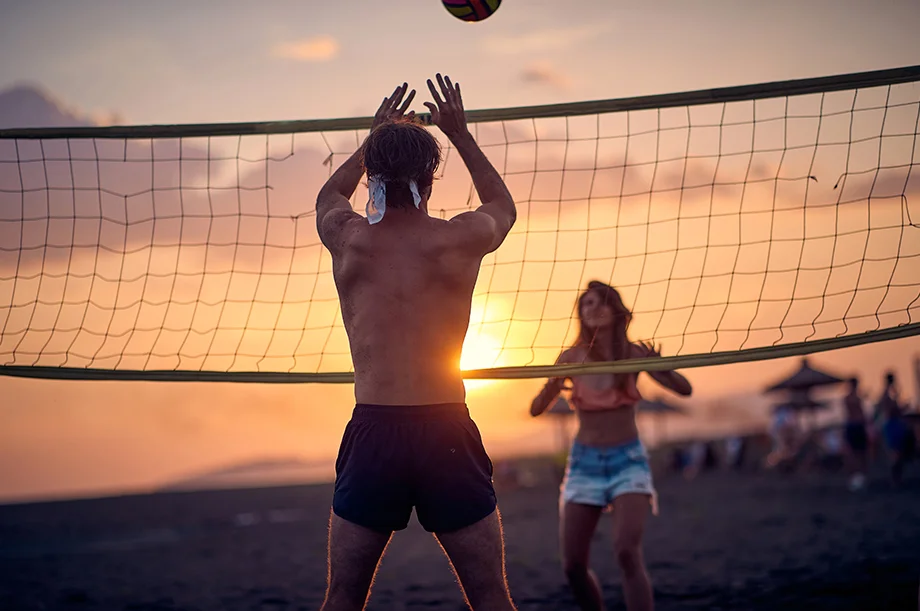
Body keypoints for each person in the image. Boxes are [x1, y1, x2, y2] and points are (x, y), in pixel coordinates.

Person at [315, 76, 517, 611]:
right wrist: (459, 134)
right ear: (429, 180)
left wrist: (373, 138)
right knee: (490, 595)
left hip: (376, 428)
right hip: (445, 430)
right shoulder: (458, 239)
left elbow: (328, 195)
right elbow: (503, 204)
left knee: (344, 597)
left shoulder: (350, 239)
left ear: (374, 178)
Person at [530, 281, 692, 611]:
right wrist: (553, 385)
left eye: (600, 302)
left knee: (626, 551)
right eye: (586, 304)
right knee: (573, 566)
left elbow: (684, 389)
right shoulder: (571, 357)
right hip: (584, 464)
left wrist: (659, 366)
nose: (593, 308)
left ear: (615, 309)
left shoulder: (633, 354)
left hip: (627, 460)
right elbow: (535, 409)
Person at [873, 372, 916, 485]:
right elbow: (891, 409)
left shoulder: (889, 393)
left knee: (897, 453)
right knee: (895, 454)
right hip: (892, 424)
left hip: (894, 423)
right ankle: (895, 479)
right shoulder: (886, 395)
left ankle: (897, 479)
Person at [841, 377, 869, 490]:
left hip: (856, 426)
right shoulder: (850, 398)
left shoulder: (853, 397)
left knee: (860, 453)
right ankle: (855, 476)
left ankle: (860, 476)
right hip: (854, 426)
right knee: (854, 453)